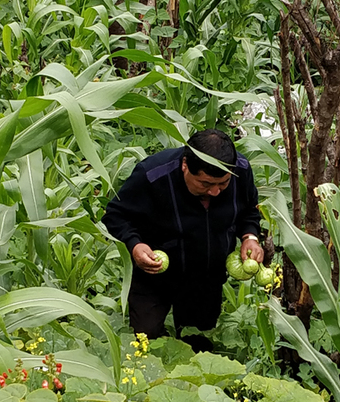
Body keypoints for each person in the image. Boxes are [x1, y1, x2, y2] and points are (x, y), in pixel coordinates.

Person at [102, 129, 263, 349]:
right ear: (185, 165)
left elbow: (250, 211)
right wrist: (135, 244)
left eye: (223, 184)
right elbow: (115, 214)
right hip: (155, 276)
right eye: (205, 184)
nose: (215, 192)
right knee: (145, 340)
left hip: (206, 277)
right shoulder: (153, 175)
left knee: (198, 343)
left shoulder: (240, 171)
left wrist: (249, 236)